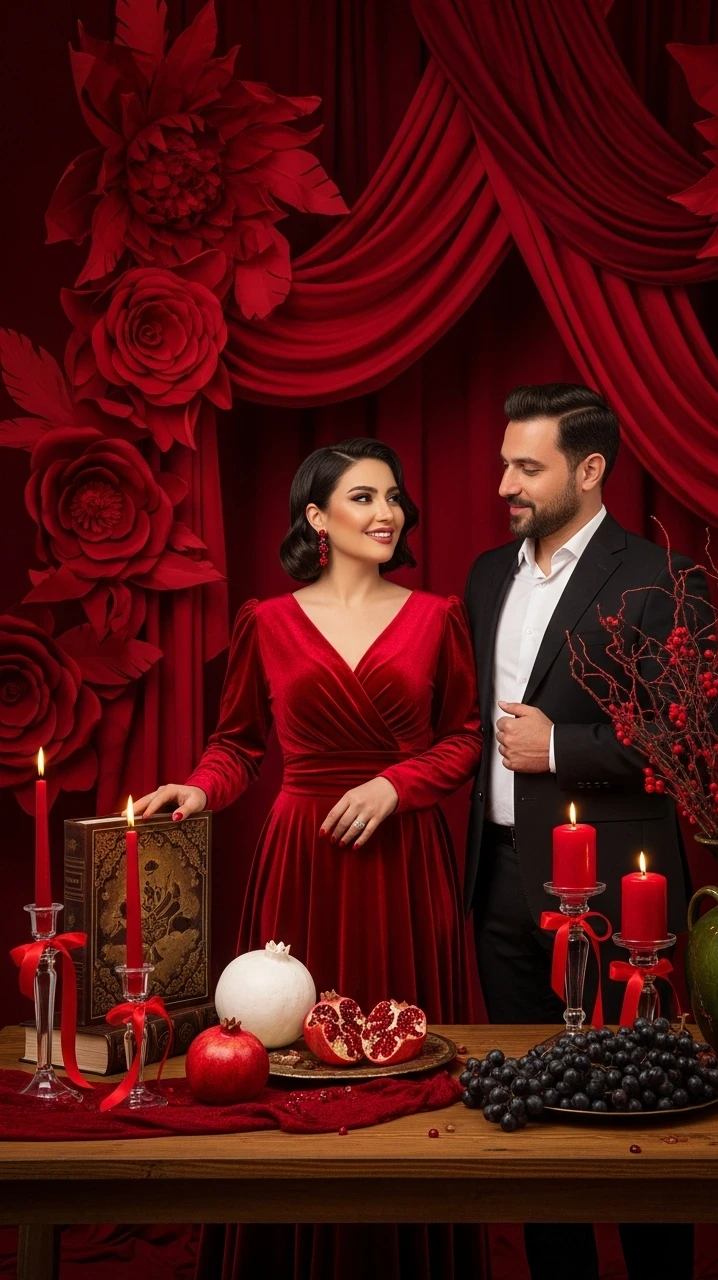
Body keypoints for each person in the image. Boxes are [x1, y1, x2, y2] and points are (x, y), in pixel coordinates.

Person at [134, 437, 486, 1280]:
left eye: (394, 497)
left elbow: (466, 738)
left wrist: (397, 786)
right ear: (316, 517)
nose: (387, 513)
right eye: (363, 497)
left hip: (404, 864)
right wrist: (198, 789)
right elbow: (237, 746)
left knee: (411, 1069)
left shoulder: (439, 616)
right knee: (285, 1064)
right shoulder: (266, 620)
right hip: (300, 860)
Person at [464, 384, 710, 1280]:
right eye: (504, 462)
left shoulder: (660, 578)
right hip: (496, 884)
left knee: (638, 1106)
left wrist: (559, 745)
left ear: (590, 469)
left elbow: (692, 738)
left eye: (526, 467)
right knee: (533, 1111)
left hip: (616, 893)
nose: (505, 484)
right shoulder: (488, 575)